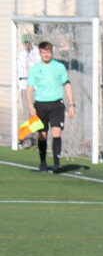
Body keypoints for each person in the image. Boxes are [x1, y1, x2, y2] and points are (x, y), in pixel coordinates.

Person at [25, 41, 75, 173]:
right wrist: (30, 105)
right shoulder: (35, 69)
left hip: (57, 104)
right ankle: (43, 161)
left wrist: (71, 104)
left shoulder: (59, 67)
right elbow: (29, 89)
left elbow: (67, 84)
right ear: (40, 53)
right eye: (43, 52)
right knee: (42, 134)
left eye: (48, 52)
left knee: (57, 131)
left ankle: (57, 164)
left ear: (52, 52)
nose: (46, 54)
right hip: (40, 104)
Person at [17, 35, 41, 121]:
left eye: (28, 42)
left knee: (35, 110)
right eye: (25, 43)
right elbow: (18, 70)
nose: (27, 44)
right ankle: (28, 129)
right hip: (24, 86)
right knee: (26, 111)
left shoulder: (37, 52)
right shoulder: (21, 54)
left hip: (35, 86)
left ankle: (37, 128)